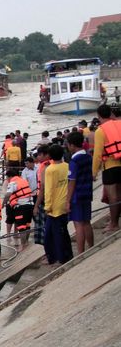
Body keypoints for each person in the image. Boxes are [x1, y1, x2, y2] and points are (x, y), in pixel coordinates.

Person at [92, 104, 121, 233]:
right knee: (119, 195)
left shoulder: (100, 130)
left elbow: (97, 154)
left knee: (113, 197)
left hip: (110, 166)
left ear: (98, 116)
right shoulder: (119, 124)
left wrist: (94, 172)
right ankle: (114, 221)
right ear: (110, 113)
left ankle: (114, 224)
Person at [43, 145, 73, 265]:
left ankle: (59, 258)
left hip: (54, 207)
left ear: (50, 156)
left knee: (52, 235)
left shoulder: (50, 169)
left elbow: (48, 190)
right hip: (65, 202)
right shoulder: (67, 166)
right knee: (62, 232)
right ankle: (64, 255)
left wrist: (47, 206)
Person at [66, 131, 94, 253]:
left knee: (78, 225)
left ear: (72, 145)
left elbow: (72, 182)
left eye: (68, 144)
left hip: (77, 195)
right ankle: (91, 247)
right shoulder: (88, 157)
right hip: (87, 192)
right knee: (87, 222)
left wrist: (67, 201)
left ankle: (81, 252)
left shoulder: (74, 162)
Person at [3, 168, 33, 250]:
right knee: (27, 225)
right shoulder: (23, 181)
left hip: (21, 207)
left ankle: (23, 245)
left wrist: (3, 203)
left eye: (7, 178)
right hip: (30, 205)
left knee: (21, 227)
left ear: (10, 176)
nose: (7, 180)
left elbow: (8, 194)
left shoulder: (13, 183)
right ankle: (26, 243)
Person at [32, 145, 51, 247]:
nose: (37, 157)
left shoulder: (46, 167)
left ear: (46, 155)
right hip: (49, 199)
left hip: (45, 200)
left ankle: (49, 253)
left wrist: (36, 205)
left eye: (39, 155)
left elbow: (43, 188)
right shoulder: (59, 164)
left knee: (44, 228)